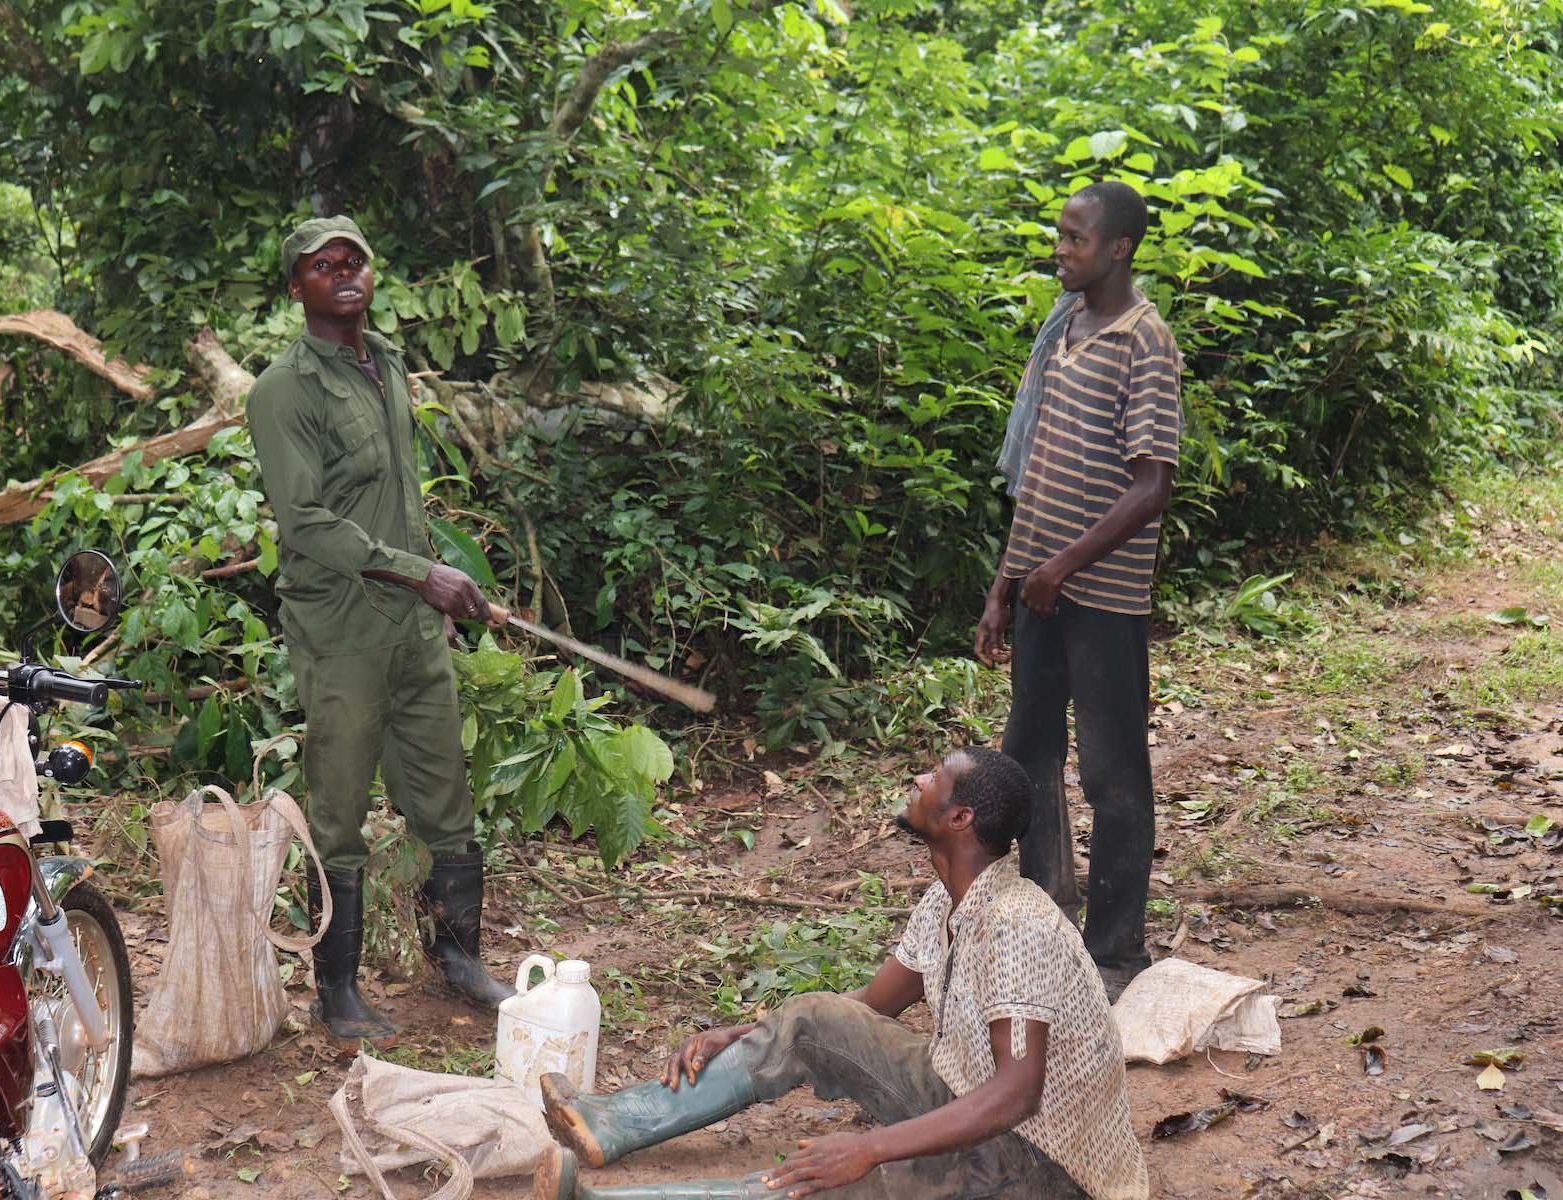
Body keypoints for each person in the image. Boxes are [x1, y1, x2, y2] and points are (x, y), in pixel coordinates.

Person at [534, 747, 1146, 1200]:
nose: (918, 779)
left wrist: (869, 1147)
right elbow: (871, 1005)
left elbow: (1017, 1093)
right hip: (971, 1100)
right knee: (812, 1018)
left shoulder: (1018, 924)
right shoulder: (949, 900)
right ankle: (612, 1121)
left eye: (935, 777)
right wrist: (742, 1034)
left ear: (960, 818)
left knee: (837, 1182)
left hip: (1046, 1164)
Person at [246, 215, 514, 1040]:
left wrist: (440, 585)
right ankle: (339, 991)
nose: (342, 273)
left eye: (353, 259)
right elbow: (305, 521)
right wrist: (419, 573)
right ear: (296, 287)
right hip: (342, 634)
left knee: (445, 791)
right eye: (321, 266)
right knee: (339, 812)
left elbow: (399, 500)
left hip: (413, 629)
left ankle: (460, 959)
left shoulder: (387, 363)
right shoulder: (283, 391)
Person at [975, 180, 1182, 1002]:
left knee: (1113, 773)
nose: (1060, 249)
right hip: (1039, 593)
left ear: (1119, 249)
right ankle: (1050, 916)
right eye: (1059, 235)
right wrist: (1007, 584)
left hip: (1102, 599)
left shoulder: (1145, 342)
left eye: (1075, 239)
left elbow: (1150, 488)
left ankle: (1116, 950)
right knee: (1028, 757)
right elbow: (1040, 481)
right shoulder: (1062, 331)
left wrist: (1062, 569)